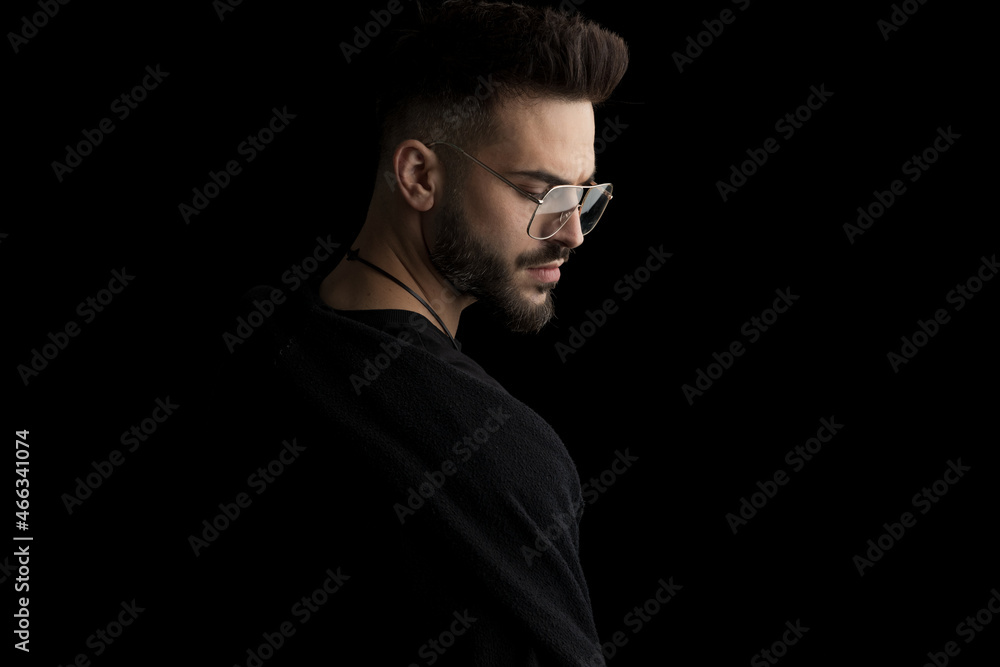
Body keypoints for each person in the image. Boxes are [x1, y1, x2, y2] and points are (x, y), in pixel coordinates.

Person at [238, 2, 628, 664]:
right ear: (420, 176)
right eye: (542, 194)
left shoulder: (275, 328)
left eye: (585, 195)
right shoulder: (511, 458)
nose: (573, 231)